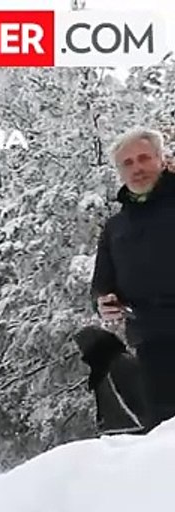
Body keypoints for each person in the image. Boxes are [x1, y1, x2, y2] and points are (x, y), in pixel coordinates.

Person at [91, 127, 175, 430]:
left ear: (161, 160)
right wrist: (103, 301)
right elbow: (101, 284)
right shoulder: (115, 228)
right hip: (151, 343)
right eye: (127, 163)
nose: (137, 168)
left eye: (144, 158)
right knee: (163, 440)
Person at [73, 326, 146, 435]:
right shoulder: (101, 370)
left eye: (81, 349)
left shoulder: (121, 363)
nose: (81, 355)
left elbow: (141, 398)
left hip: (133, 435)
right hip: (119, 435)